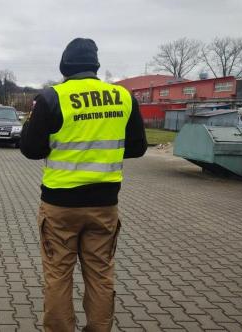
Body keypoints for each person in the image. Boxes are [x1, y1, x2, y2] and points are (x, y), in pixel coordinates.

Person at [20, 38, 147, 332]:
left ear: (65, 66)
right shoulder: (123, 97)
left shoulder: (53, 98)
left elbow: (30, 149)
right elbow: (138, 147)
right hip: (104, 205)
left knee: (58, 275)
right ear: (95, 65)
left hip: (59, 207)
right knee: (101, 274)